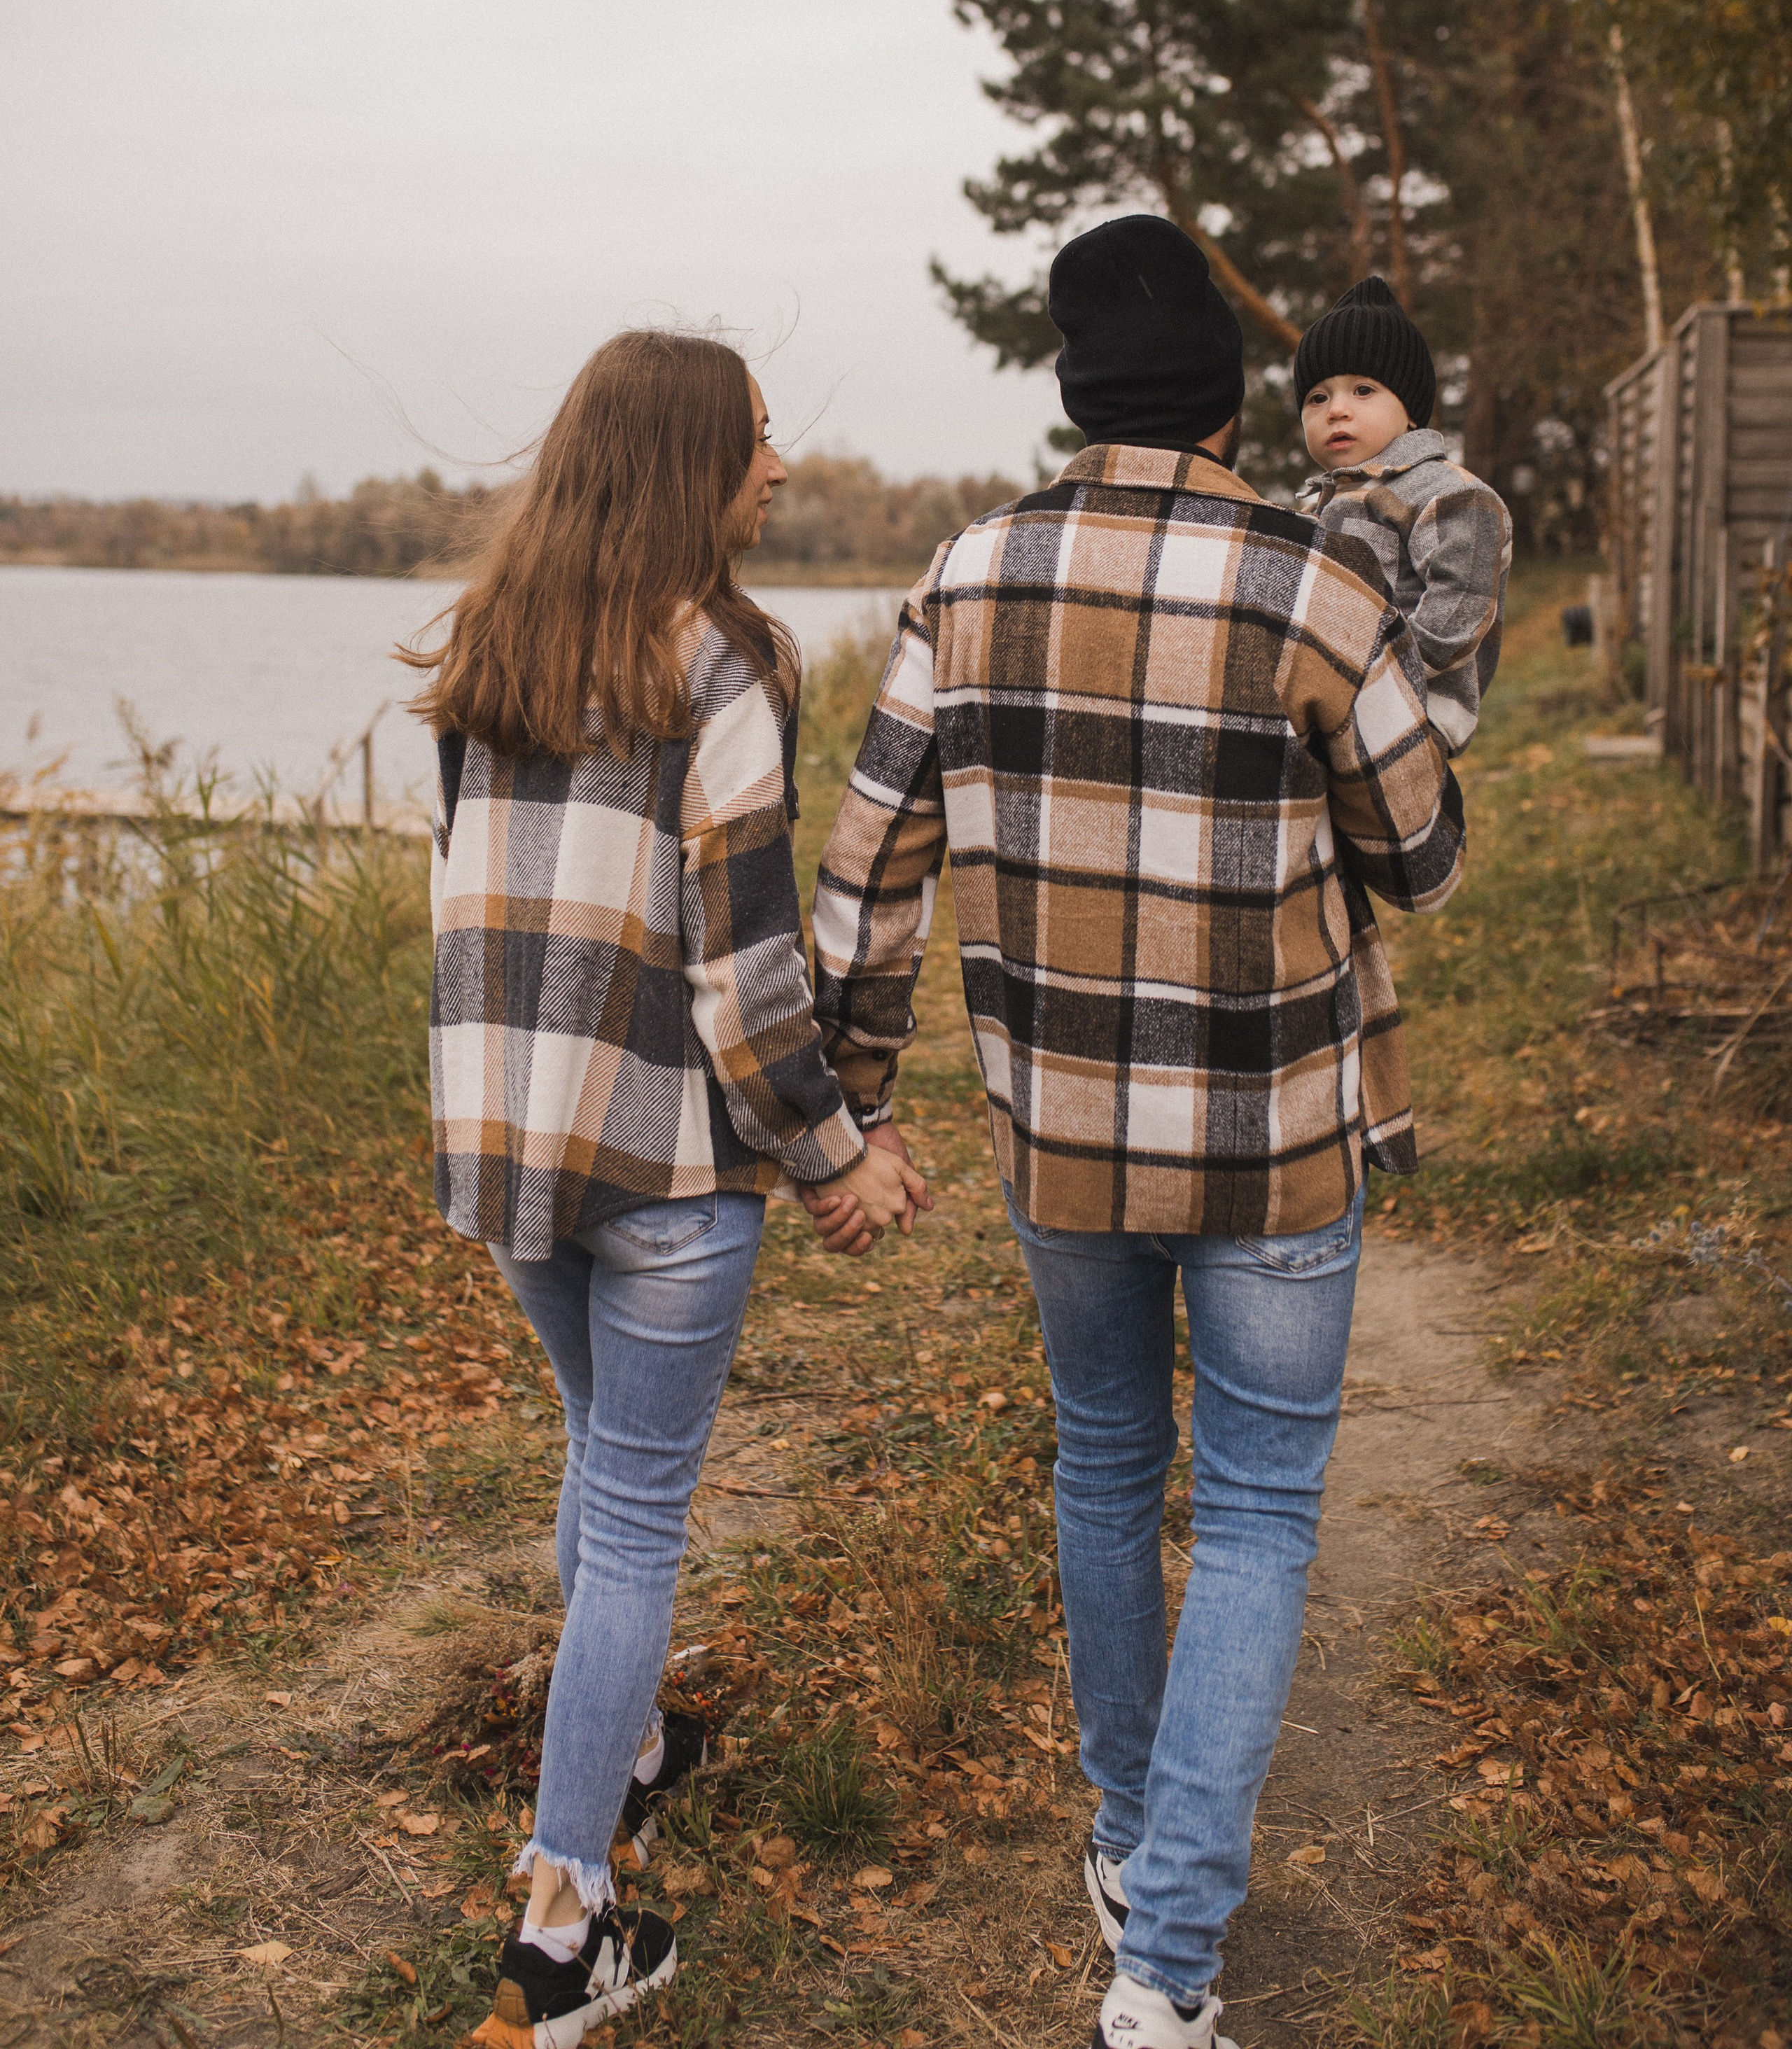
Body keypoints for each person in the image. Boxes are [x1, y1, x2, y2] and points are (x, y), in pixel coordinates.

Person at [811, 216, 1465, 2049]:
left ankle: (1127, 1843)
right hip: (1273, 1144)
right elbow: (1423, 855)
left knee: (1104, 1466)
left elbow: (865, 876)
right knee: (1252, 1512)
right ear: (1233, 406)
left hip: (1064, 1139)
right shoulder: (1307, 581)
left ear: (1074, 388)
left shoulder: (965, 577)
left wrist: (852, 1107)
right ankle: (1165, 1969)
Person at [407, 329, 927, 2042]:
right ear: (692, 459)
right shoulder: (724, 658)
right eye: (757, 438)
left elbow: (463, 902)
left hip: (514, 1146)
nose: (779, 465)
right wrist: (836, 1152)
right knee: (633, 1511)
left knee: (598, 1454)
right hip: (663, 1167)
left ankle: (623, 1742)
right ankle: (563, 1927)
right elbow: (746, 968)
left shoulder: (489, 640)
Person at [1294, 275, 1513, 757]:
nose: (1337, 410)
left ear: (1410, 410)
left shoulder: (1449, 494)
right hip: (1331, 712)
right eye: (1318, 398)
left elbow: (1458, 612)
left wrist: (1369, 673)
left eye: (1363, 390)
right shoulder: (1315, 508)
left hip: (1410, 721)